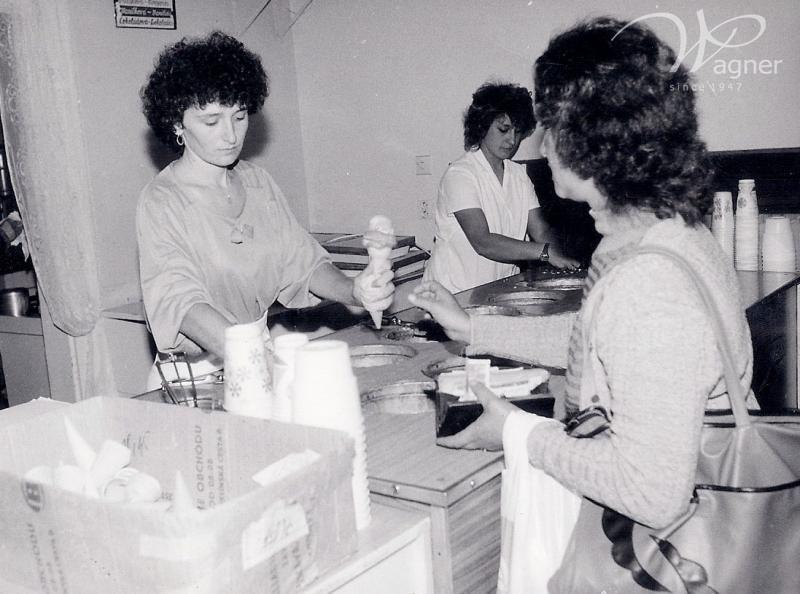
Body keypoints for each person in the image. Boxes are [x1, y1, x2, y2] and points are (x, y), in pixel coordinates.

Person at [409, 16, 758, 590]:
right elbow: (596, 342)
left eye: (549, 125)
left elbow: (650, 491)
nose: (541, 144)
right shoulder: (661, 232)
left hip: (667, 554)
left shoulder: (649, 282)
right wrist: (473, 326)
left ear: (588, 141)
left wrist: (518, 435)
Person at [137, 31, 393, 375]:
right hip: (198, 375)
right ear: (175, 123)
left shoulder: (257, 183)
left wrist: (355, 291)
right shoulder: (162, 201)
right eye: (212, 121)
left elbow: (302, 264)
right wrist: (257, 361)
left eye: (239, 116)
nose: (231, 135)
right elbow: (182, 304)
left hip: (257, 354)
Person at [423, 82, 579, 294]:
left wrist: (563, 261)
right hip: (453, 293)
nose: (512, 140)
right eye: (503, 129)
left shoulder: (518, 175)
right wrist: (545, 252)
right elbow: (483, 242)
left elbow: (540, 230)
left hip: (497, 290)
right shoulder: (460, 175)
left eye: (518, 131)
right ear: (482, 125)